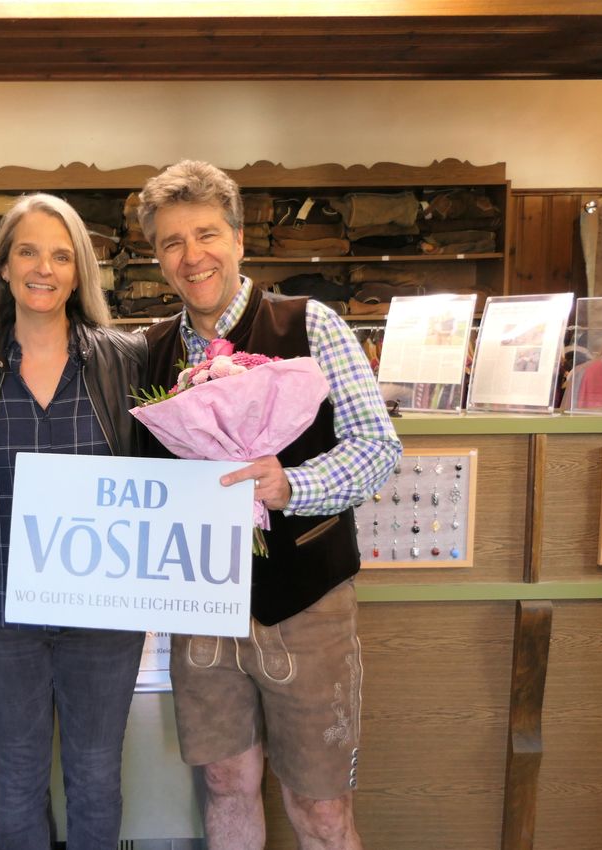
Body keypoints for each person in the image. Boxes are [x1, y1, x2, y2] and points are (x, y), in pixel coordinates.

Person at [136, 160, 402, 850]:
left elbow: (378, 447)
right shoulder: (149, 351)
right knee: (225, 782)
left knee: (318, 808)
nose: (191, 256)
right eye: (171, 242)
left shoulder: (311, 324)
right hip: (200, 610)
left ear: (240, 239)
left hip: (304, 602)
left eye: (206, 235)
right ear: (157, 257)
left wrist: (292, 485)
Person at [0, 193, 147, 849]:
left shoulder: (124, 360)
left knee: (95, 781)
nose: (43, 268)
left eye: (62, 255)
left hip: (105, 615)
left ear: (79, 270)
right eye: (27, 250)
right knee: (17, 783)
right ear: (2, 266)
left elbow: (169, 469)